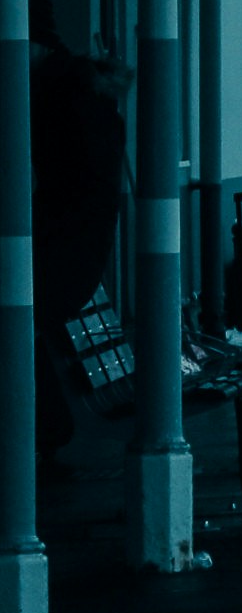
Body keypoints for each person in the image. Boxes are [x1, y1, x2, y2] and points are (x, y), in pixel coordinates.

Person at [31, 33, 123, 458]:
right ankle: (48, 425)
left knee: (26, 320)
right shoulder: (87, 98)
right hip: (82, 236)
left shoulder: (52, 100)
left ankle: (46, 425)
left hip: (61, 234)